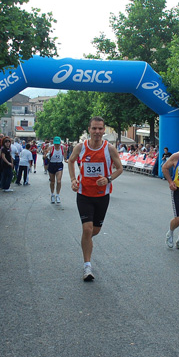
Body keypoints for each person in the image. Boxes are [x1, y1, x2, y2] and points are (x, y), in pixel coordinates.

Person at [67, 116, 123, 281]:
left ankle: (86, 241)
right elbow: (70, 162)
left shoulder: (110, 149)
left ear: (104, 130)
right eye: (94, 128)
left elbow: (119, 168)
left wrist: (108, 179)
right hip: (84, 195)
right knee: (87, 229)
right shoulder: (81, 147)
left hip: (102, 196)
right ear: (89, 130)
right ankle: (87, 266)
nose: (97, 132)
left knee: (95, 230)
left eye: (100, 128)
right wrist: (73, 180)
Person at [48, 136, 66, 203]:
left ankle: (58, 195)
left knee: (58, 181)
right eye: (56, 143)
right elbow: (45, 155)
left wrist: (66, 159)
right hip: (52, 164)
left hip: (59, 164)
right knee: (52, 181)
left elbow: (65, 155)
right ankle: (52, 194)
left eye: (58, 143)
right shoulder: (51, 148)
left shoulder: (63, 147)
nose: (57, 145)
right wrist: (46, 155)